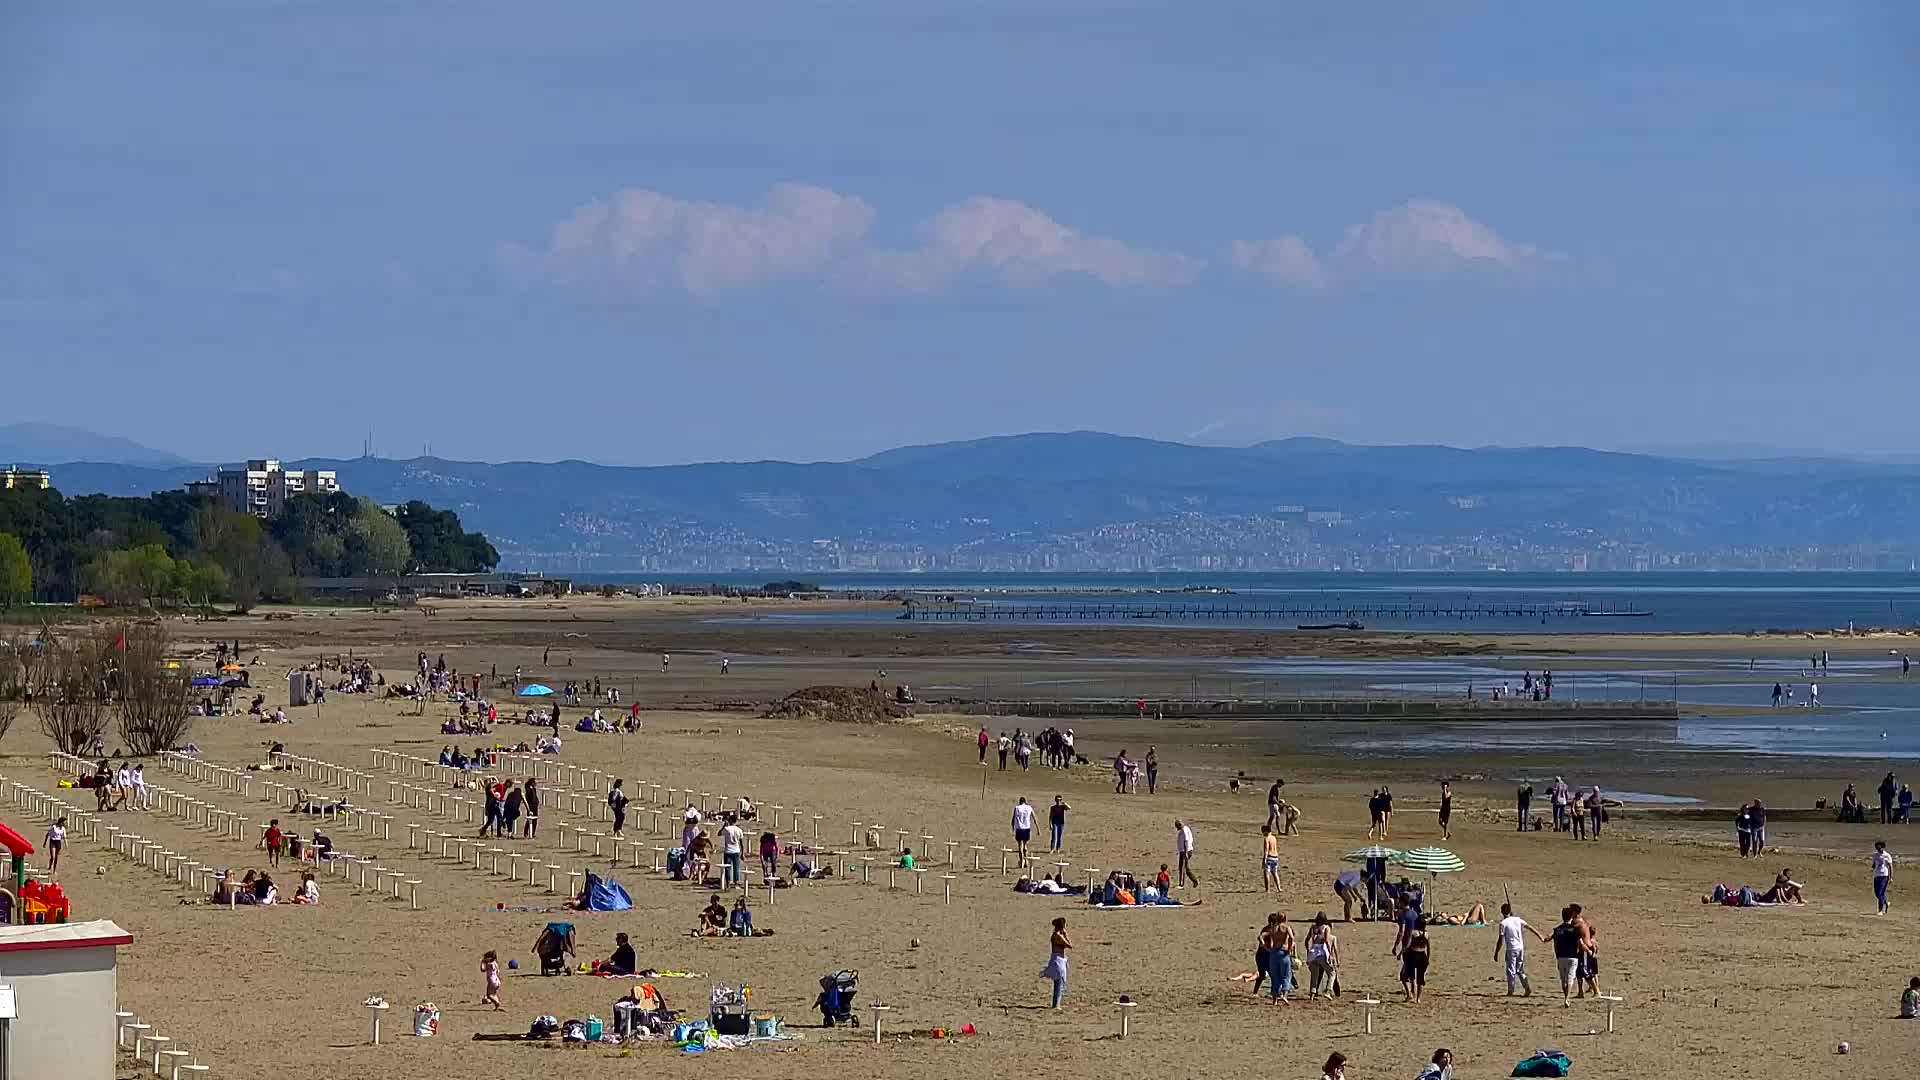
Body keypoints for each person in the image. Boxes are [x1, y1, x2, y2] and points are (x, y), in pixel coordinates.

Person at [1495, 902, 1544, 996]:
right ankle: (1527, 988)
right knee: (1519, 969)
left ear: (1502, 912)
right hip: (1520, 948)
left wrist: (1496, 952)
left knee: (1511, 970)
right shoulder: (1517, 919)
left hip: (1511, 949)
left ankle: (1511, 990)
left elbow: (1500, 940)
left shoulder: (1503, 923)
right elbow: (1529, 927)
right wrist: (1539, 935)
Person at [1551, 906, 1586, 1003]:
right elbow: (1580, 943)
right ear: (1571, 917)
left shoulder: (1557, 929)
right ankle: (1567, 997)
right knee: (1570, 977)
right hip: (1573, 956)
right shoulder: (1575, 930)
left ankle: (1565, 994)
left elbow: (1555, 945)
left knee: (1563, 978)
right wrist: (1587, 951)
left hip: (1561, 956)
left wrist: (1557, 955)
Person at [1304, 913, 1339, 997]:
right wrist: (1330, 953)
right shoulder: (1326, 928)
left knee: (1314, 975)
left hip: (1313, 951)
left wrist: (1308, 951)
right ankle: (1328, 990)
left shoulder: (1313, 927)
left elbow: (1307, 940)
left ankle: (1312, 993)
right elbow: (1326, 940)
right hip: (1322, 951)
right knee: (1332, 973)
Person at [1041, 916, 1071, 1008]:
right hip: (1058, 960)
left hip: (1058, 959)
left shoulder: (1056, 935)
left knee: (1059, 982)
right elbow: (1069, 945)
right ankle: (1056, 1004)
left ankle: (1056, 1003)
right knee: (1059, 982)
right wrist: (1065, 935)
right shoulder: (1058, 936)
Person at [1571, 904, 1600, 998]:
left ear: (1574, 912)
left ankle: (1596, 991)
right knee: (1579, 972)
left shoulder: (1577, 923)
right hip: (1581, 949)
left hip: (1584, 948)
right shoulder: (1582, 921)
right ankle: (1580, 992)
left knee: (1585, 971)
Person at [1266, 912, 1295, 1000]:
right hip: (1283, 952)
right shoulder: (1286, 928)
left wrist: (1269, 949)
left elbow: (1270, 942)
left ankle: (1275, 999)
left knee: (1275, 977)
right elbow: (1291, 937)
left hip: (1274, 953)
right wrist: (1289, 948)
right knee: (1286, 975)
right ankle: (1285, 995)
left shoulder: (1273, 928)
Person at [1399, 924, 1431, 1002]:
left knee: (1404, 975)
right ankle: (1418, 999)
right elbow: (1428, 948)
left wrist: (1401, 952)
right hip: (1423, 955)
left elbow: (1408, 944)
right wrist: (1427, 958)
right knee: (1420, 978)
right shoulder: (1426, 934)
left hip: (1413, 955)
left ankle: (1409, 994)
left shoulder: (1413, 933)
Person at [720, 818, 744, 887]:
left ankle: (728, 882)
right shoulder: (739, 830)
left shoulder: (726, 829)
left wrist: (724, 825)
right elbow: (741, 843)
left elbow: (719, 833)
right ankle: (736, 882)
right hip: (736, 850)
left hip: (728, 850)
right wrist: (742, 853)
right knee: (736, 867)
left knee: (727, 867)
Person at [1174, 819, 1198, 888]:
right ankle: (1194, 880)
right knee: (1184, 868)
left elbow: (1186, 842)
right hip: (1183, 851)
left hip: (1185, 851)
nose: (1176, 828)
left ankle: (1182, 884)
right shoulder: (1184, 829)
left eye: (1177, 826)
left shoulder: (1184, 830)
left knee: (1183, 868)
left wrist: (1186, 853)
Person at [1010, 797, 1035, 862]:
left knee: (1020, 846)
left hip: (1019, 828)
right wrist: (1037, 828)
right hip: (1026, 828)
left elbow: (1013, 818)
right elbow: (1034, 817)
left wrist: (1013, 827)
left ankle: (1022, 861)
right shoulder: (1029, 807)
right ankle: (1026, 860)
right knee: (1025, 845)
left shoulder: (1017, 808)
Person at [1873, 840, 1894, 914]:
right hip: (1876, 875)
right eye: (1877, 848)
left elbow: (1890, 866)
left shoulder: (1887, 855)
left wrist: (1891, 877)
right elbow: (1874, 864)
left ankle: (1880, 910)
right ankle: (1886, 902)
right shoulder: (1875, 855)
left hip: (1884, 876)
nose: (1878, 850)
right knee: (1876, 893)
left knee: (1881, 893)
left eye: (1879, 848)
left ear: (1883, 847)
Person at [1261, 824, 1281, 892]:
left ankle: (1268, 889)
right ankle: (1279, 888)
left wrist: (1264, 859)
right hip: (1275, 857)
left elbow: (1266, 849)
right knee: (1275, 873)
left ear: (1266, 831)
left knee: (1267, 873)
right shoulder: (1274, 838)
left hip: (1269, 857)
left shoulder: (1267, 838)